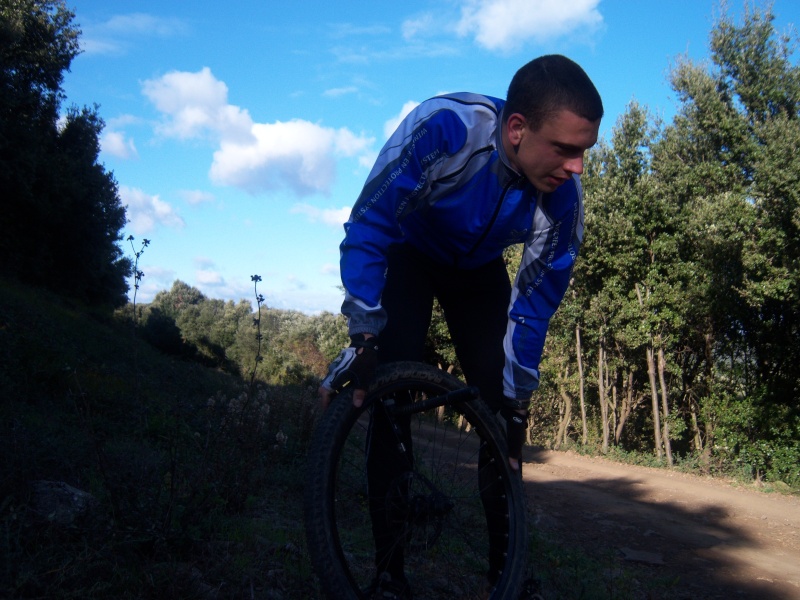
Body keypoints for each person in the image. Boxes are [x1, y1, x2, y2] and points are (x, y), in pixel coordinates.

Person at [319, 54, 603, 600]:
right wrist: (362, 333)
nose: (577, 168)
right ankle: (389, 577)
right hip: (411, 252)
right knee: (384, 393)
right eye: (566, 149)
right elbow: (370, 223)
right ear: (517, 129)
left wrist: (517, 400)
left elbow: (534, 304)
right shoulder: (444, 128)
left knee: (501, 411)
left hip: (476, 273)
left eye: (584, 151)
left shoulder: (563, 198)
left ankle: (508, 574)